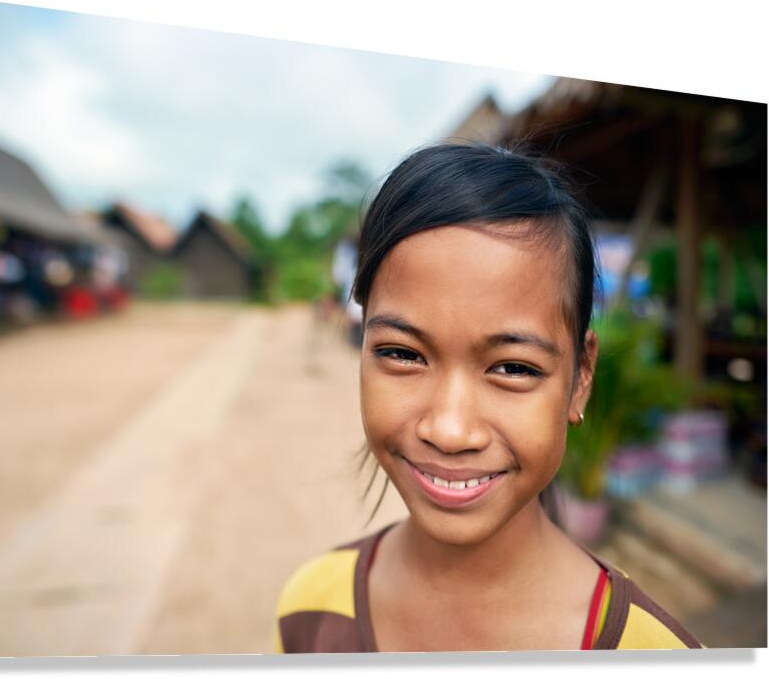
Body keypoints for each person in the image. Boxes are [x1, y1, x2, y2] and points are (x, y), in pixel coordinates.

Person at [272, 143, 702, 652]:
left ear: (581, 375)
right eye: (404, 354)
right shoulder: (310, 610)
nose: (451, 431)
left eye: (513, 368)